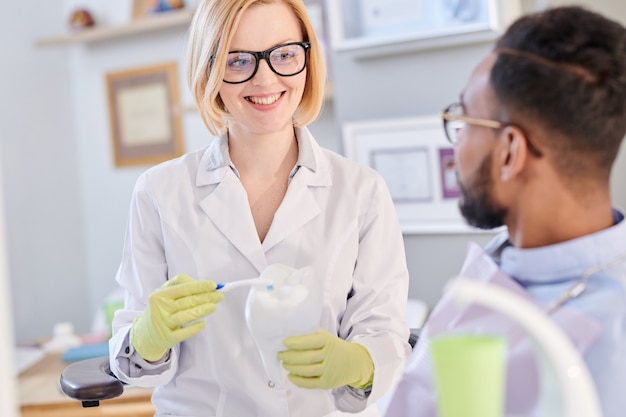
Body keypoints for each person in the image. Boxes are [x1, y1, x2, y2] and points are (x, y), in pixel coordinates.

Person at [108, 0, 411, 416]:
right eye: (238, 61)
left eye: (284, 54)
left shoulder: (361, 192)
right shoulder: (160, 192)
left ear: (307, 59)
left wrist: (359, 364)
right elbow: (133, 362)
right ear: (209, 70)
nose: (265, 78)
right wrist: (146, 338)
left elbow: (385, 335)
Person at [384, 5, 626, 417]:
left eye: (463, 119)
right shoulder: (509, 256)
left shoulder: (606, 337)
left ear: (510, 152)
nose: (455, 148)